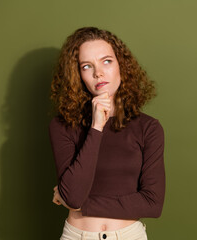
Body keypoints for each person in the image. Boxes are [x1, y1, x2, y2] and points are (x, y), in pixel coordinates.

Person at [48, 26, 165, 240]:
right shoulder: (62, 126)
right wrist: (96, 127)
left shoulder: (148, 128)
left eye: (107, 61)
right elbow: (73, 196)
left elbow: (152, 203)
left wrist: (83, 206)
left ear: (122, 65)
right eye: (86, 66)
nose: (98, 73)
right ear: (78, 74)